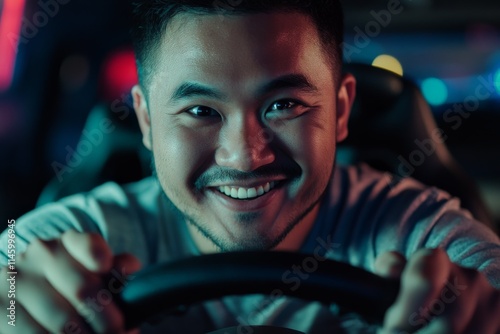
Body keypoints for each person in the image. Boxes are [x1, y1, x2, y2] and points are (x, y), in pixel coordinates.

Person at [1, 0, 499, 333]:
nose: (243, 156)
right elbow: (8, 268)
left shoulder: (423, 237)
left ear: (342, 110)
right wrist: (9, 301)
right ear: (147, 122)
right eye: (200, 112)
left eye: (283, 105)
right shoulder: (74, 239)